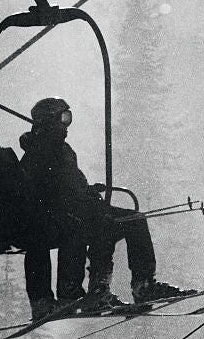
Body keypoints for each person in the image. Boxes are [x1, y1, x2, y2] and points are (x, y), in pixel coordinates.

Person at [18, 96, 189, 315]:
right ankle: (94, 290)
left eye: (68, 118)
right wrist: (82, 196)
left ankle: (141, 285)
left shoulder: (62, 150)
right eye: (63, 118)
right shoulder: (39, 154)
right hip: (62, 217)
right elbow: (47, 194)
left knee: (134, 219)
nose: (66, 125)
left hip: (79, 209)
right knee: (102, 224)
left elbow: (70, 185)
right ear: (49, 121)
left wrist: (87, 192)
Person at [0, 106, 84, 317]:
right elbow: (8, 190)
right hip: (2, 223)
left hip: (10, 219)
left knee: (62, 226)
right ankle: (50, 297)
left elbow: (20, 187)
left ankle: (59, 295)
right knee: (47, 232)